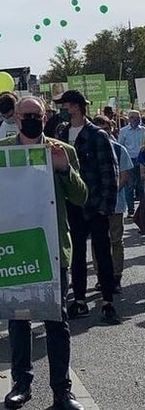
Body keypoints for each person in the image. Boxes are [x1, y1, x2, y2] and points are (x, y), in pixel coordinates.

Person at [0, 96, 88, 410]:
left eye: (37, 115)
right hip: (17, 249)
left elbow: (80, 195)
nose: (31, 119)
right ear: (15, 119)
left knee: (57, 322)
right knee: (18, 320)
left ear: (45, 118)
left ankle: (62, 390)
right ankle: (21, 383)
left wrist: (63, 169)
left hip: (52, 248)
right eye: (25, 115)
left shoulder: (62, 150)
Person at [54, 90, 121, 324]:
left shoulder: (97, 135)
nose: (65, 109)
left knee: (103, 254)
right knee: (77, 255)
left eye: (69, 105)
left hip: (94, 203)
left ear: (79, 106)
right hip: (72, 203)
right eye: (64, 105)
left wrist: (106, 205)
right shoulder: (61, 133)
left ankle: (107, 301)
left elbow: (109, 172)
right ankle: (80, 300)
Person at [93, 115, 131, 294]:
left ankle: (116, 276)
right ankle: (101, 276)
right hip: (95, 206)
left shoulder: (119, 149)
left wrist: (109, 192)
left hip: (115, 204)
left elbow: (124, 177)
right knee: (98, 242)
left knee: (116, 241)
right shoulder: (89, 149)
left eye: (105, 129)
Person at [117, 109, 144, 216]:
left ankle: (142, 211)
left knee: (141, 186)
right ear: (129, 119)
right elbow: (120, 146)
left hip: (141, 160)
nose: (135, 119)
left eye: (137, 117)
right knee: (129, 186)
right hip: (129, 160)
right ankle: (131, 210)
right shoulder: (124, 131)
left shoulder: (143, 130)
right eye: (132, 117)